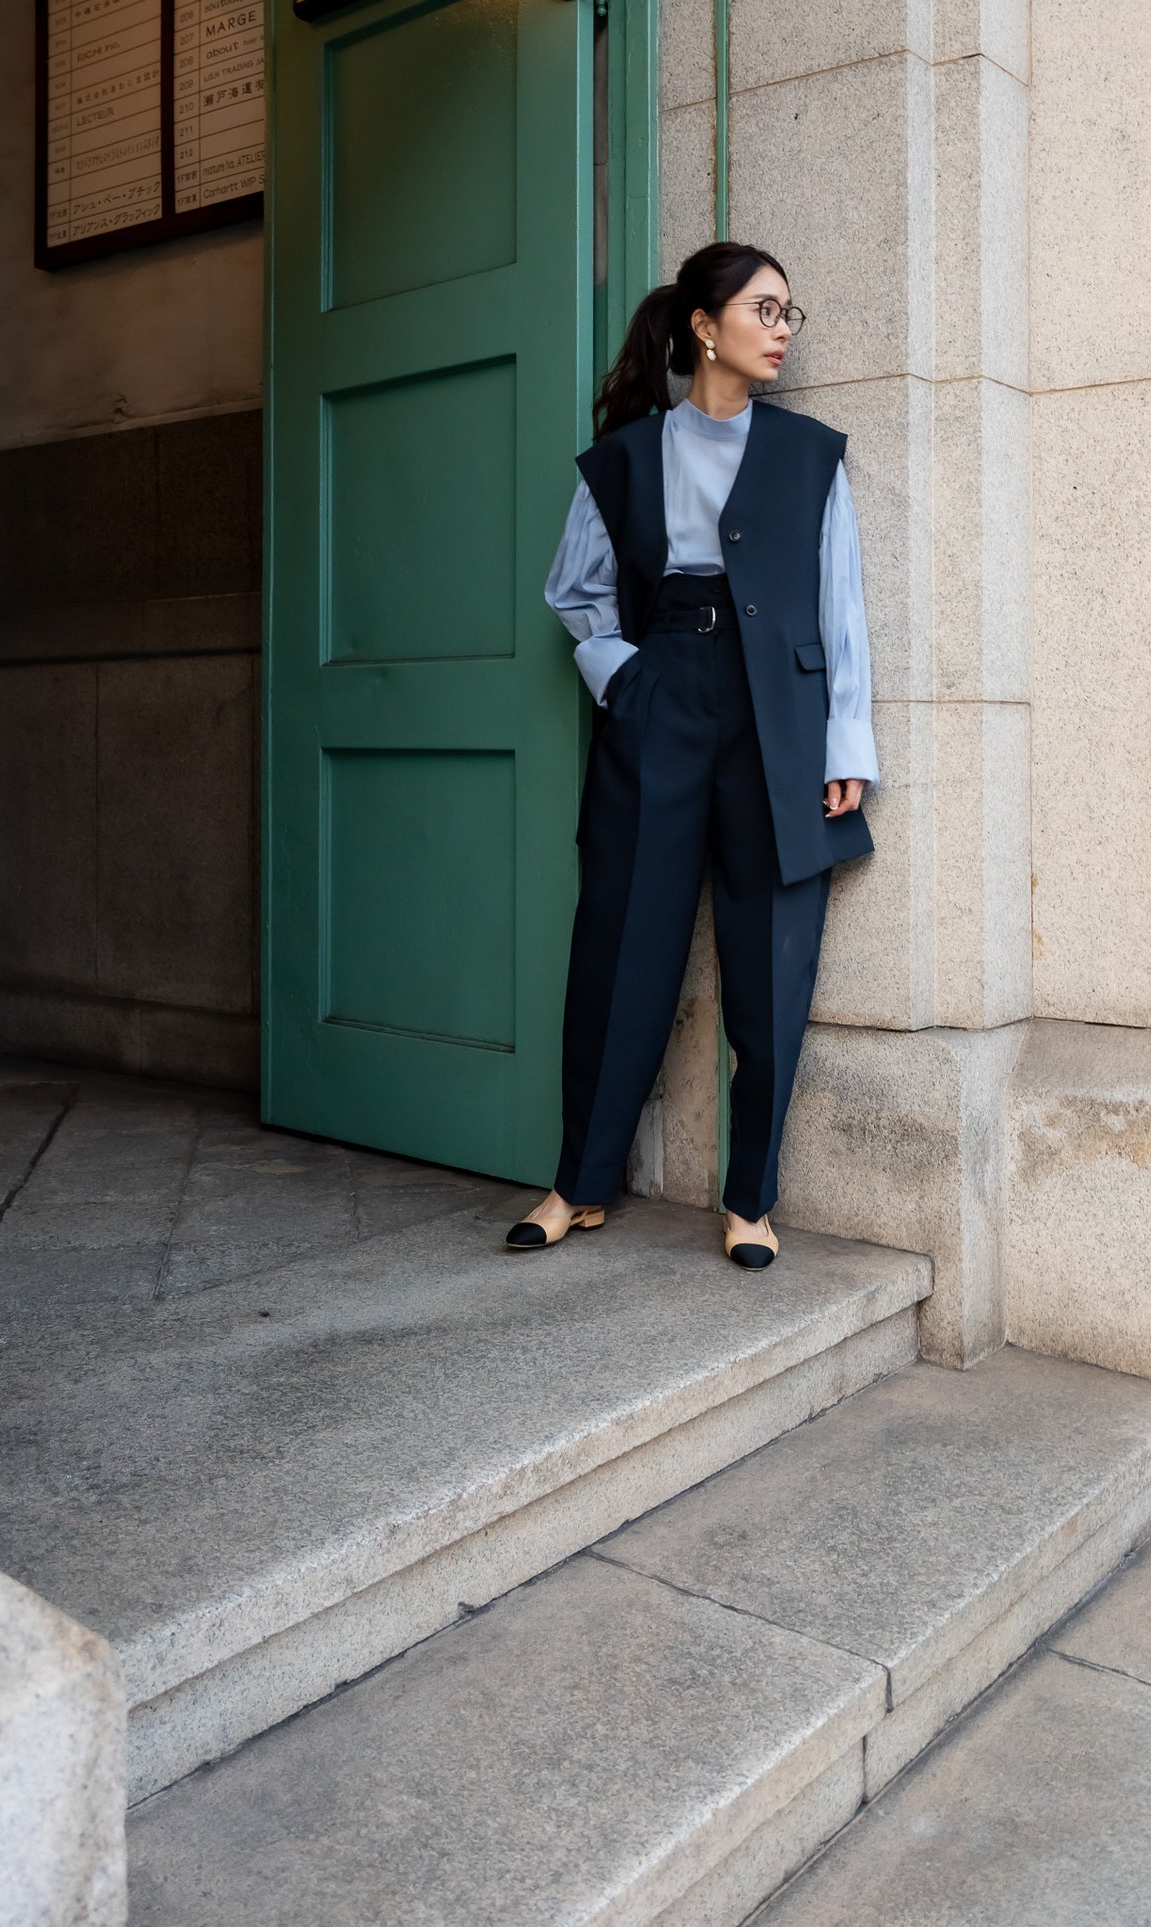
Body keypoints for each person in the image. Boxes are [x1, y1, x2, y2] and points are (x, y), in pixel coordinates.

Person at [505, 241, 877, 1269]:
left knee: (769, 959)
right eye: (763, 309)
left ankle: (748, 1200)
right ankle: (578, 1181)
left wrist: (843, 744)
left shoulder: (808, 455)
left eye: (789, 313)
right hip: (660, 697)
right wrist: (622, 679)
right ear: (702, 327)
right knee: (619, 943)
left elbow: (839, 608)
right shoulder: (626, 456)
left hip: (778, 719)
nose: (781, 328)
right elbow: (574, 592)